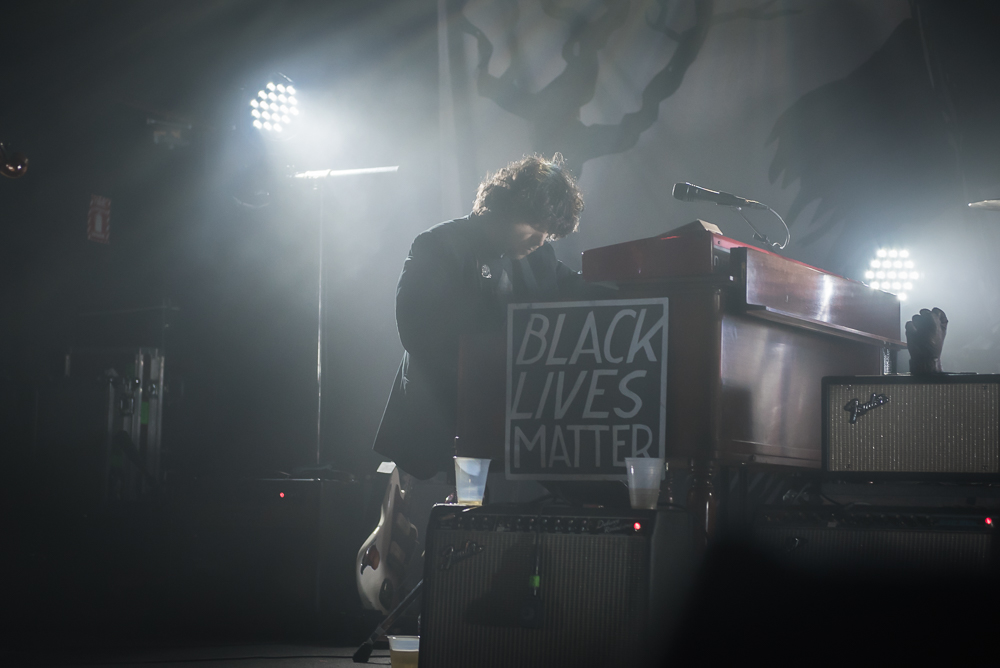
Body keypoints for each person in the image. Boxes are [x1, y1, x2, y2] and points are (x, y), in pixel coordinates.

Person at [372, 153, 586, 480]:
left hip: (505, 432)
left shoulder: (539, 255)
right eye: (537, 227)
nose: (541, 241)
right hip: (437, 434)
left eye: (548, 234)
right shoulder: (437, 245)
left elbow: (579, 286)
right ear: (510, 207)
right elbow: (416, 332)